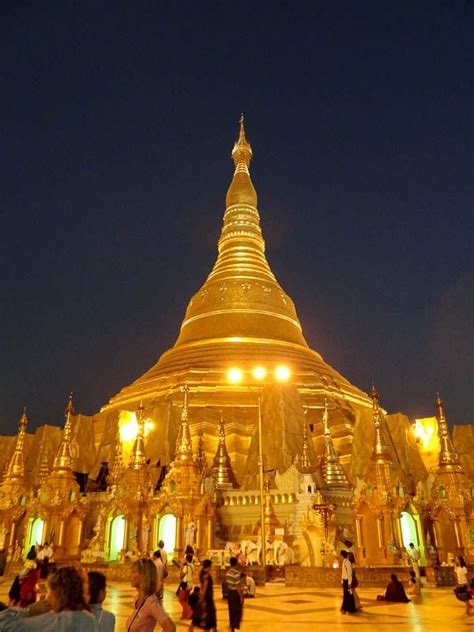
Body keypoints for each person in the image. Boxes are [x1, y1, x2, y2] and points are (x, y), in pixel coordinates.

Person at [0, 565, 98, 630]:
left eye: (48, 591)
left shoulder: (50, 620)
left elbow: (3, 622)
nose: (47, 596)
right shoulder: (91, 620)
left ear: (59, 593)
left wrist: (30, 611)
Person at [127, 558, 175, 631]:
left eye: (133, 572)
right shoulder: (138, 599)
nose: (129, 575)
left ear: (144, 575)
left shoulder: (151, 602)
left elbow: (170, 627)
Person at [191, 559, 217, 632]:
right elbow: (204, 588)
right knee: (208, 618)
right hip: (207, 599)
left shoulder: (203, 572)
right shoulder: (206, 575)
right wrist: (202, 600)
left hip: (208, 598)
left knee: (208, 618)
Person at [226, 557, 243, 632]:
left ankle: (231, 625)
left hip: (230, 592)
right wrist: (241, 596)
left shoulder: (228, 572)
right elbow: (237, 586)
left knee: (231, 609)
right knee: (237, 610)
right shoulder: (236, 573)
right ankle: (235, 625)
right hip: (235, 593)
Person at [177, 553, 194, 620]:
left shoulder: (185, 567)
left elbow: (181, 576)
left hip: (185, 584)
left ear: (186, 559)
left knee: (181, 600)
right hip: (190, 584)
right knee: (186, 600)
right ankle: (184, 616)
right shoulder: (192, 566)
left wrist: (181, 569)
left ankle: (189, 612)